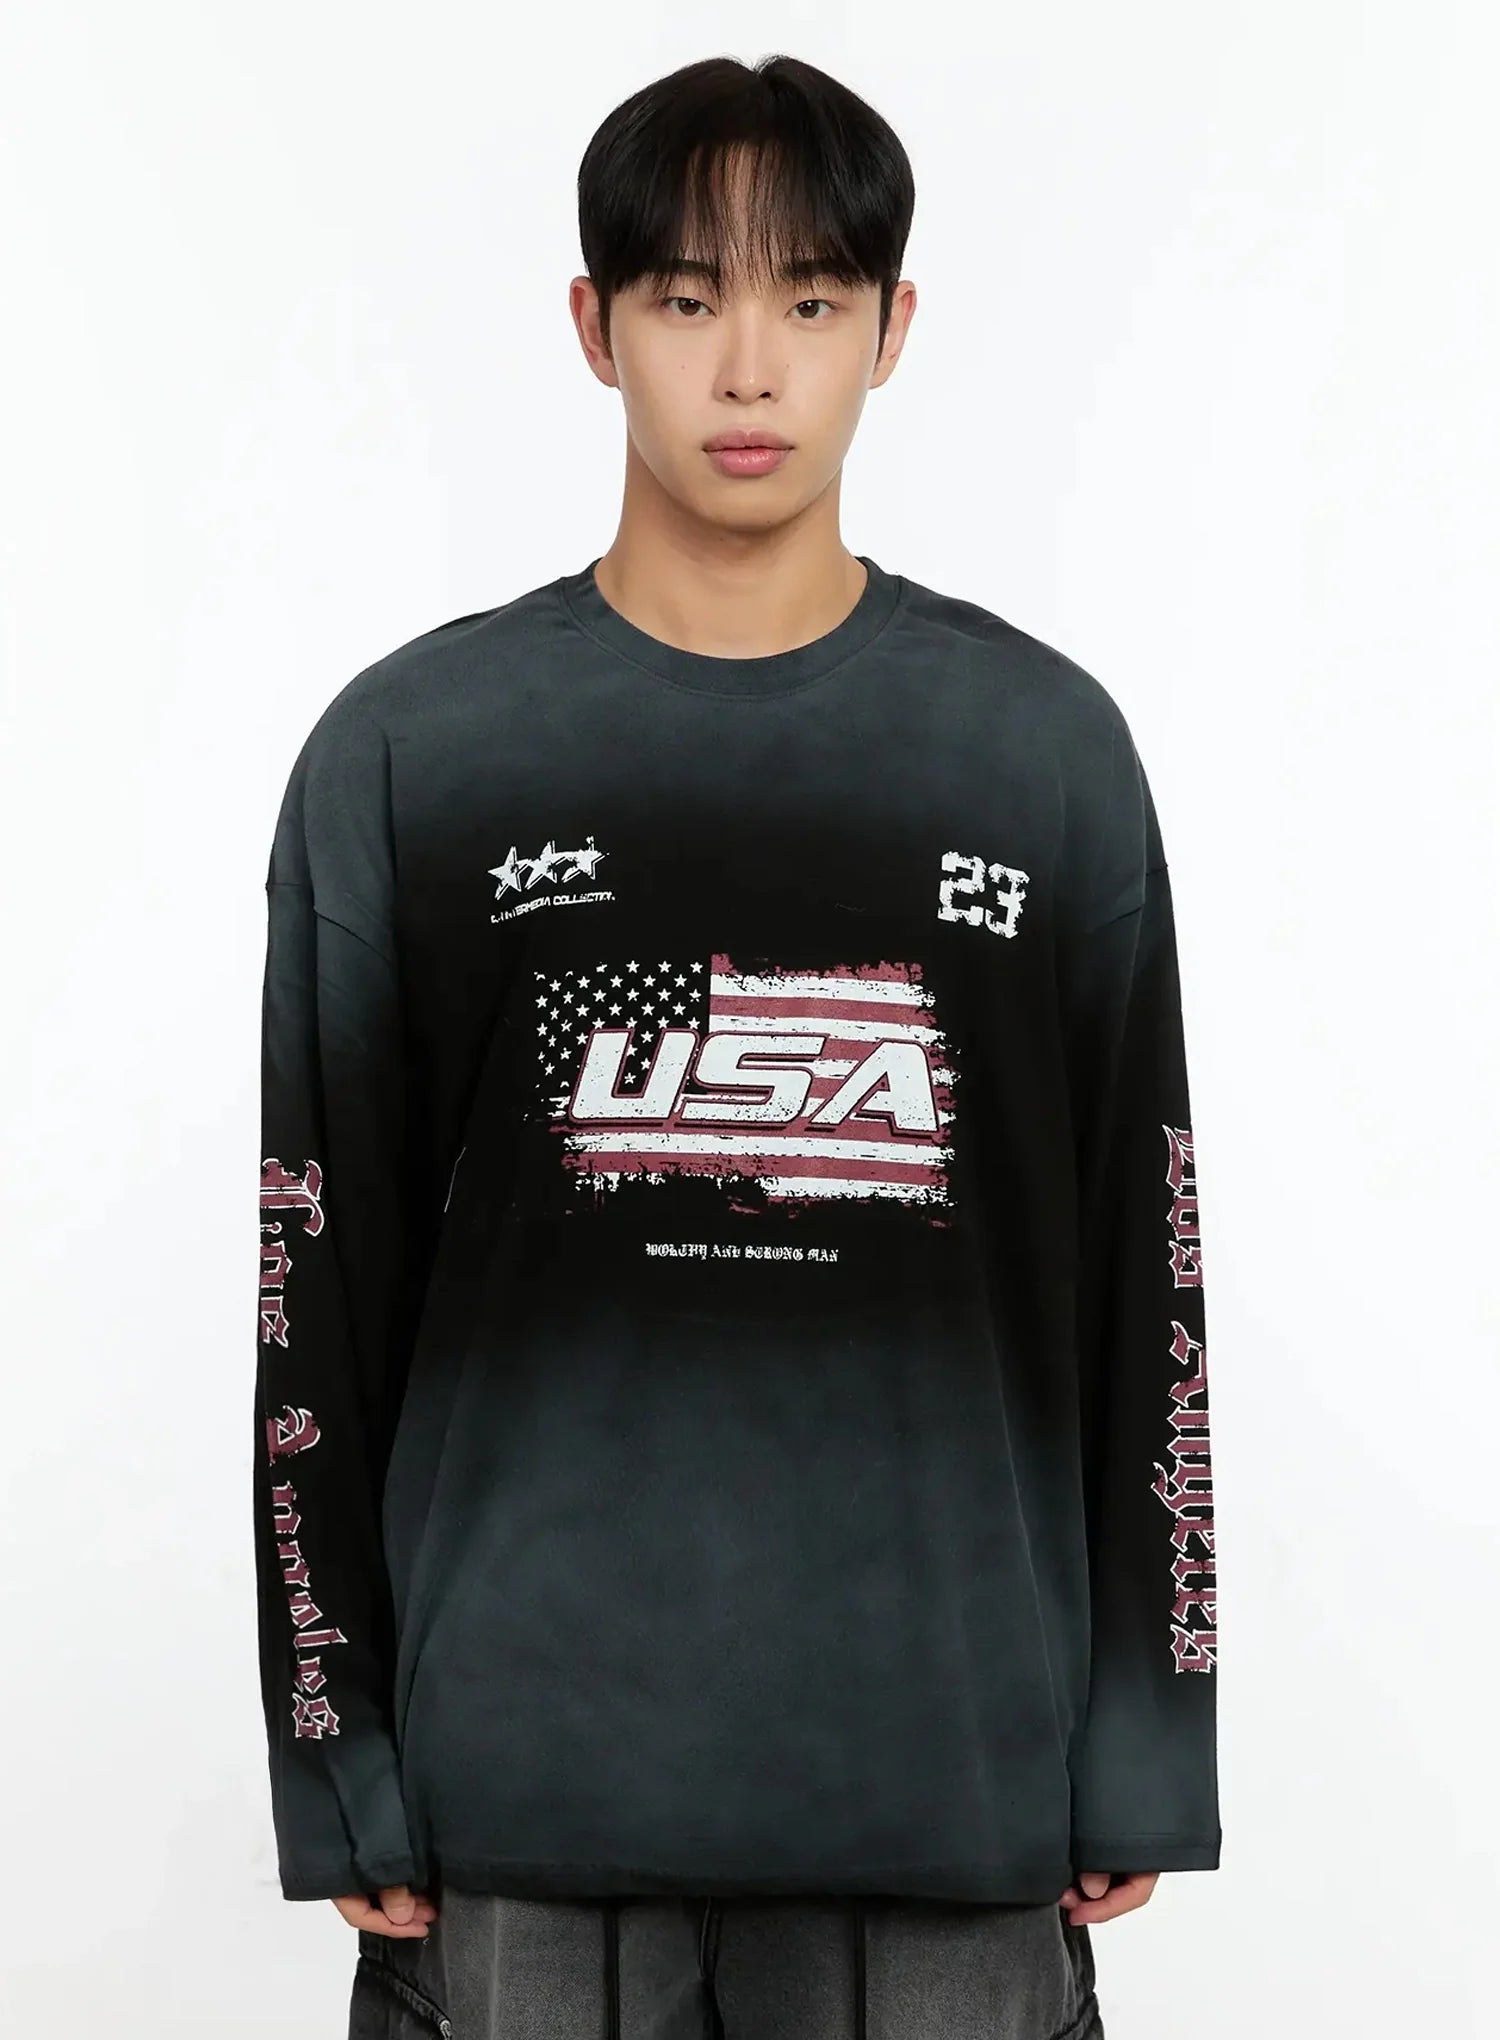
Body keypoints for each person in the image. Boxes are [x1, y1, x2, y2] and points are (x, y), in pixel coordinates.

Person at [253, 51, 1221, 2040]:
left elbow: (1149, 1266)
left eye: (812, 300)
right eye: (689, 298)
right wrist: (332, 1744)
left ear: (894, 329)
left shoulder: (1037, 760)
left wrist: (1148, 1729)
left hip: (946, 1782)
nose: (751, 368)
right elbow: (316, 1293)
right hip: (521, 1805)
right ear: (595, 325)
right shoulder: (417, 760)